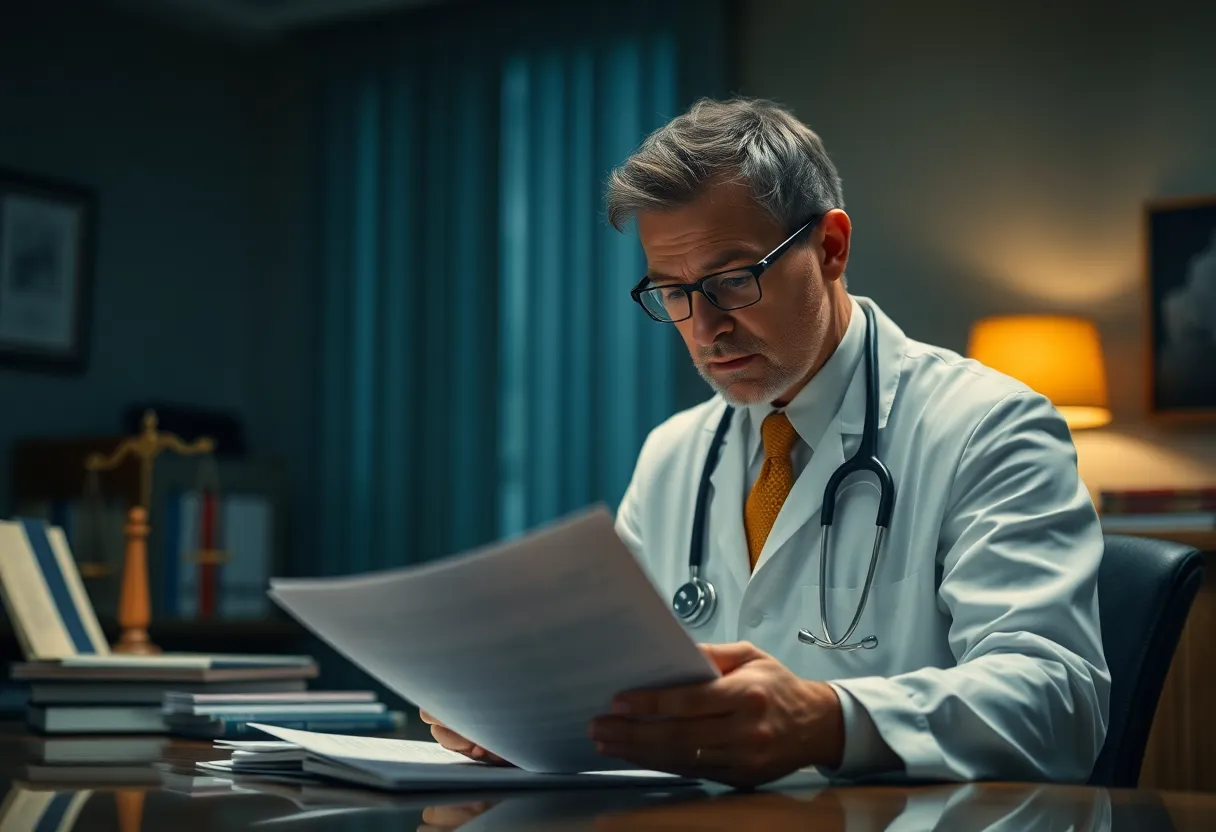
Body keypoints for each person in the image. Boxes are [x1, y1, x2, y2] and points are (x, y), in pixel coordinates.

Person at [422, 97, 1110, 789]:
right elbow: (608, 674)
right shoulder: (674, 455)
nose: (705, 329)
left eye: (732, 281)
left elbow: (1059, 700)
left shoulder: (988, 427)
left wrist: (831, 721)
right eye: (673, 292)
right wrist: (519, 716)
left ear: (830, 247)